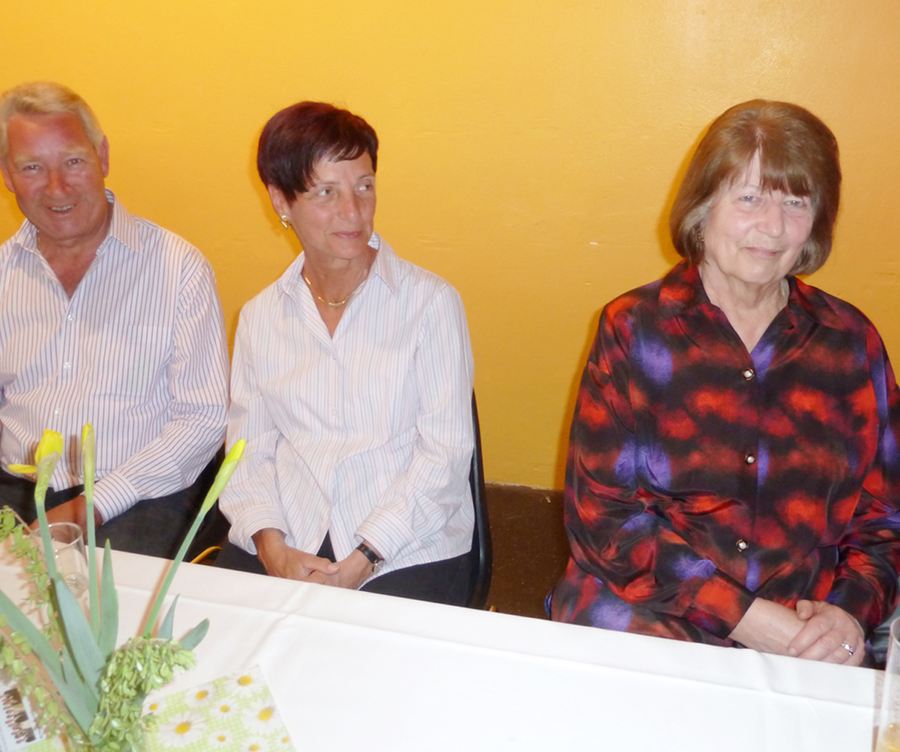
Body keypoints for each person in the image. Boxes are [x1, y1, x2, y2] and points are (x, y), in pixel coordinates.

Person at [549, 99, 900, 666]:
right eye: (750, 198)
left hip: (809, 630)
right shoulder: (634, 330)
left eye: (795, 202)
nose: (773, 226)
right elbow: (604, 521)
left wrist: (848, 613)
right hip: (654, 617)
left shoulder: (852, 344)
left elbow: (885, 519)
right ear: (703, 205)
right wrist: (748, 619)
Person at [0, 82, 229, 557]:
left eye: (73, 161)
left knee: (87, 595)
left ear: (103, 157)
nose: (56, 187)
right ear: (6, 173)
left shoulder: (179, 268)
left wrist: (91, 506)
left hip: (145, 493)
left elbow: (202, 419)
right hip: (20, 490)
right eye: (32, 167)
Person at [215, 101, 476, 604]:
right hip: (292, 533)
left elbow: (444, 455)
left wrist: (363, 559)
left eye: (364, 186)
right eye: (326, 192)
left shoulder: (431, 303)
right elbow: (248, 455)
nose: (353, 211)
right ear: (281, 201)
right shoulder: (261, 318)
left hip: (407, 543)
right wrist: (271, 546)